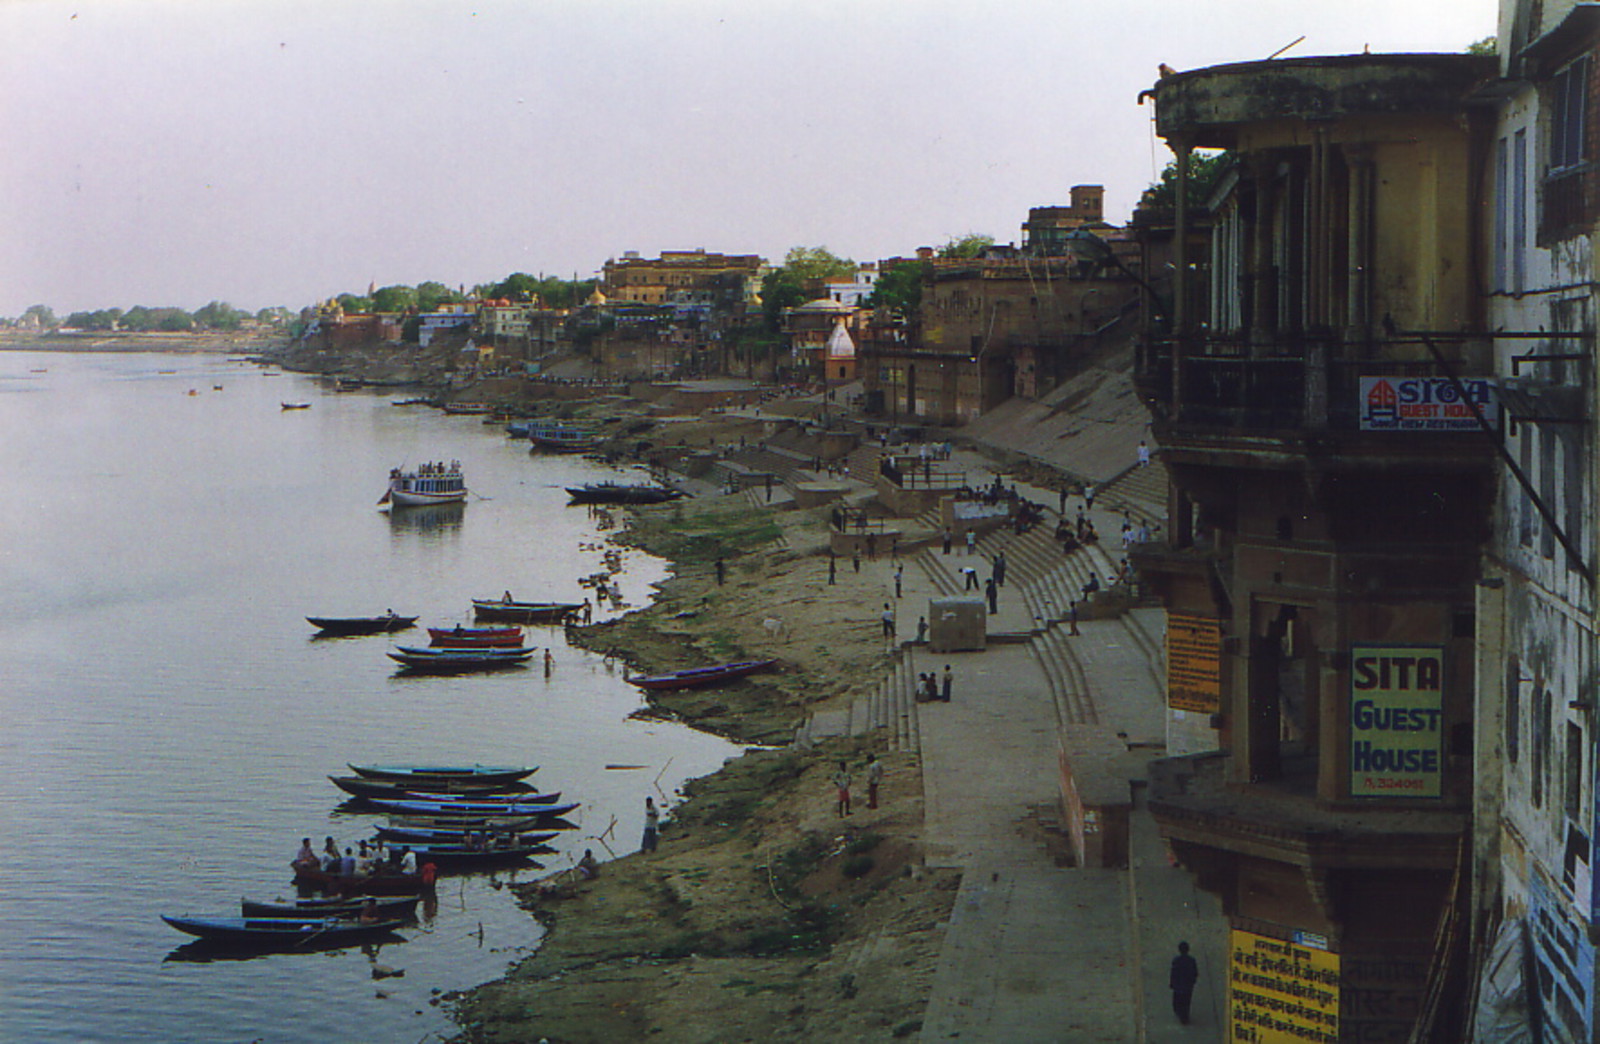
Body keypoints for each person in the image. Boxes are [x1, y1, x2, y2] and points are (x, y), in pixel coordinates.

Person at [1170, 941, 1199, 1025]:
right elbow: (1195, 972)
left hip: (1178, 986)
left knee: (1178, 1000)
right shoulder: (1191, 960)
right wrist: (1193, 981)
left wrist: (1172, 983)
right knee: (1186, 1002)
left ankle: (1179, 1013)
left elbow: (1173, 973)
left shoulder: (1176, 960)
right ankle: (1185, 1016)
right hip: (1188, 986)